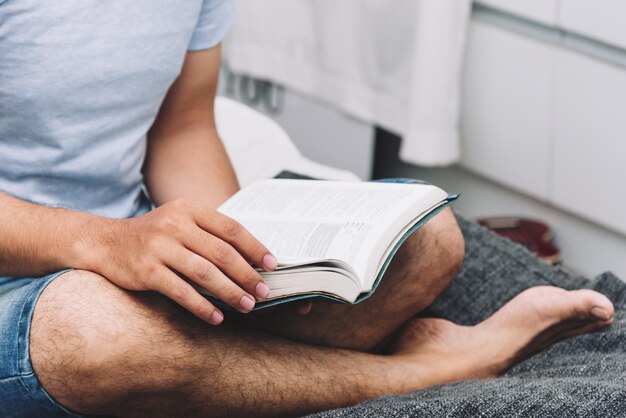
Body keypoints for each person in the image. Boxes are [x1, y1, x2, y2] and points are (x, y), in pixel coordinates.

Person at [0, 1, 615, 417]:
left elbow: (182, 127)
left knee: (431, 236)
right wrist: (108, 243)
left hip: (130, 250)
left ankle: (206, 371)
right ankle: (429, 371)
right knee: (96, 333)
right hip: (43, 280)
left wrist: (242, 255)